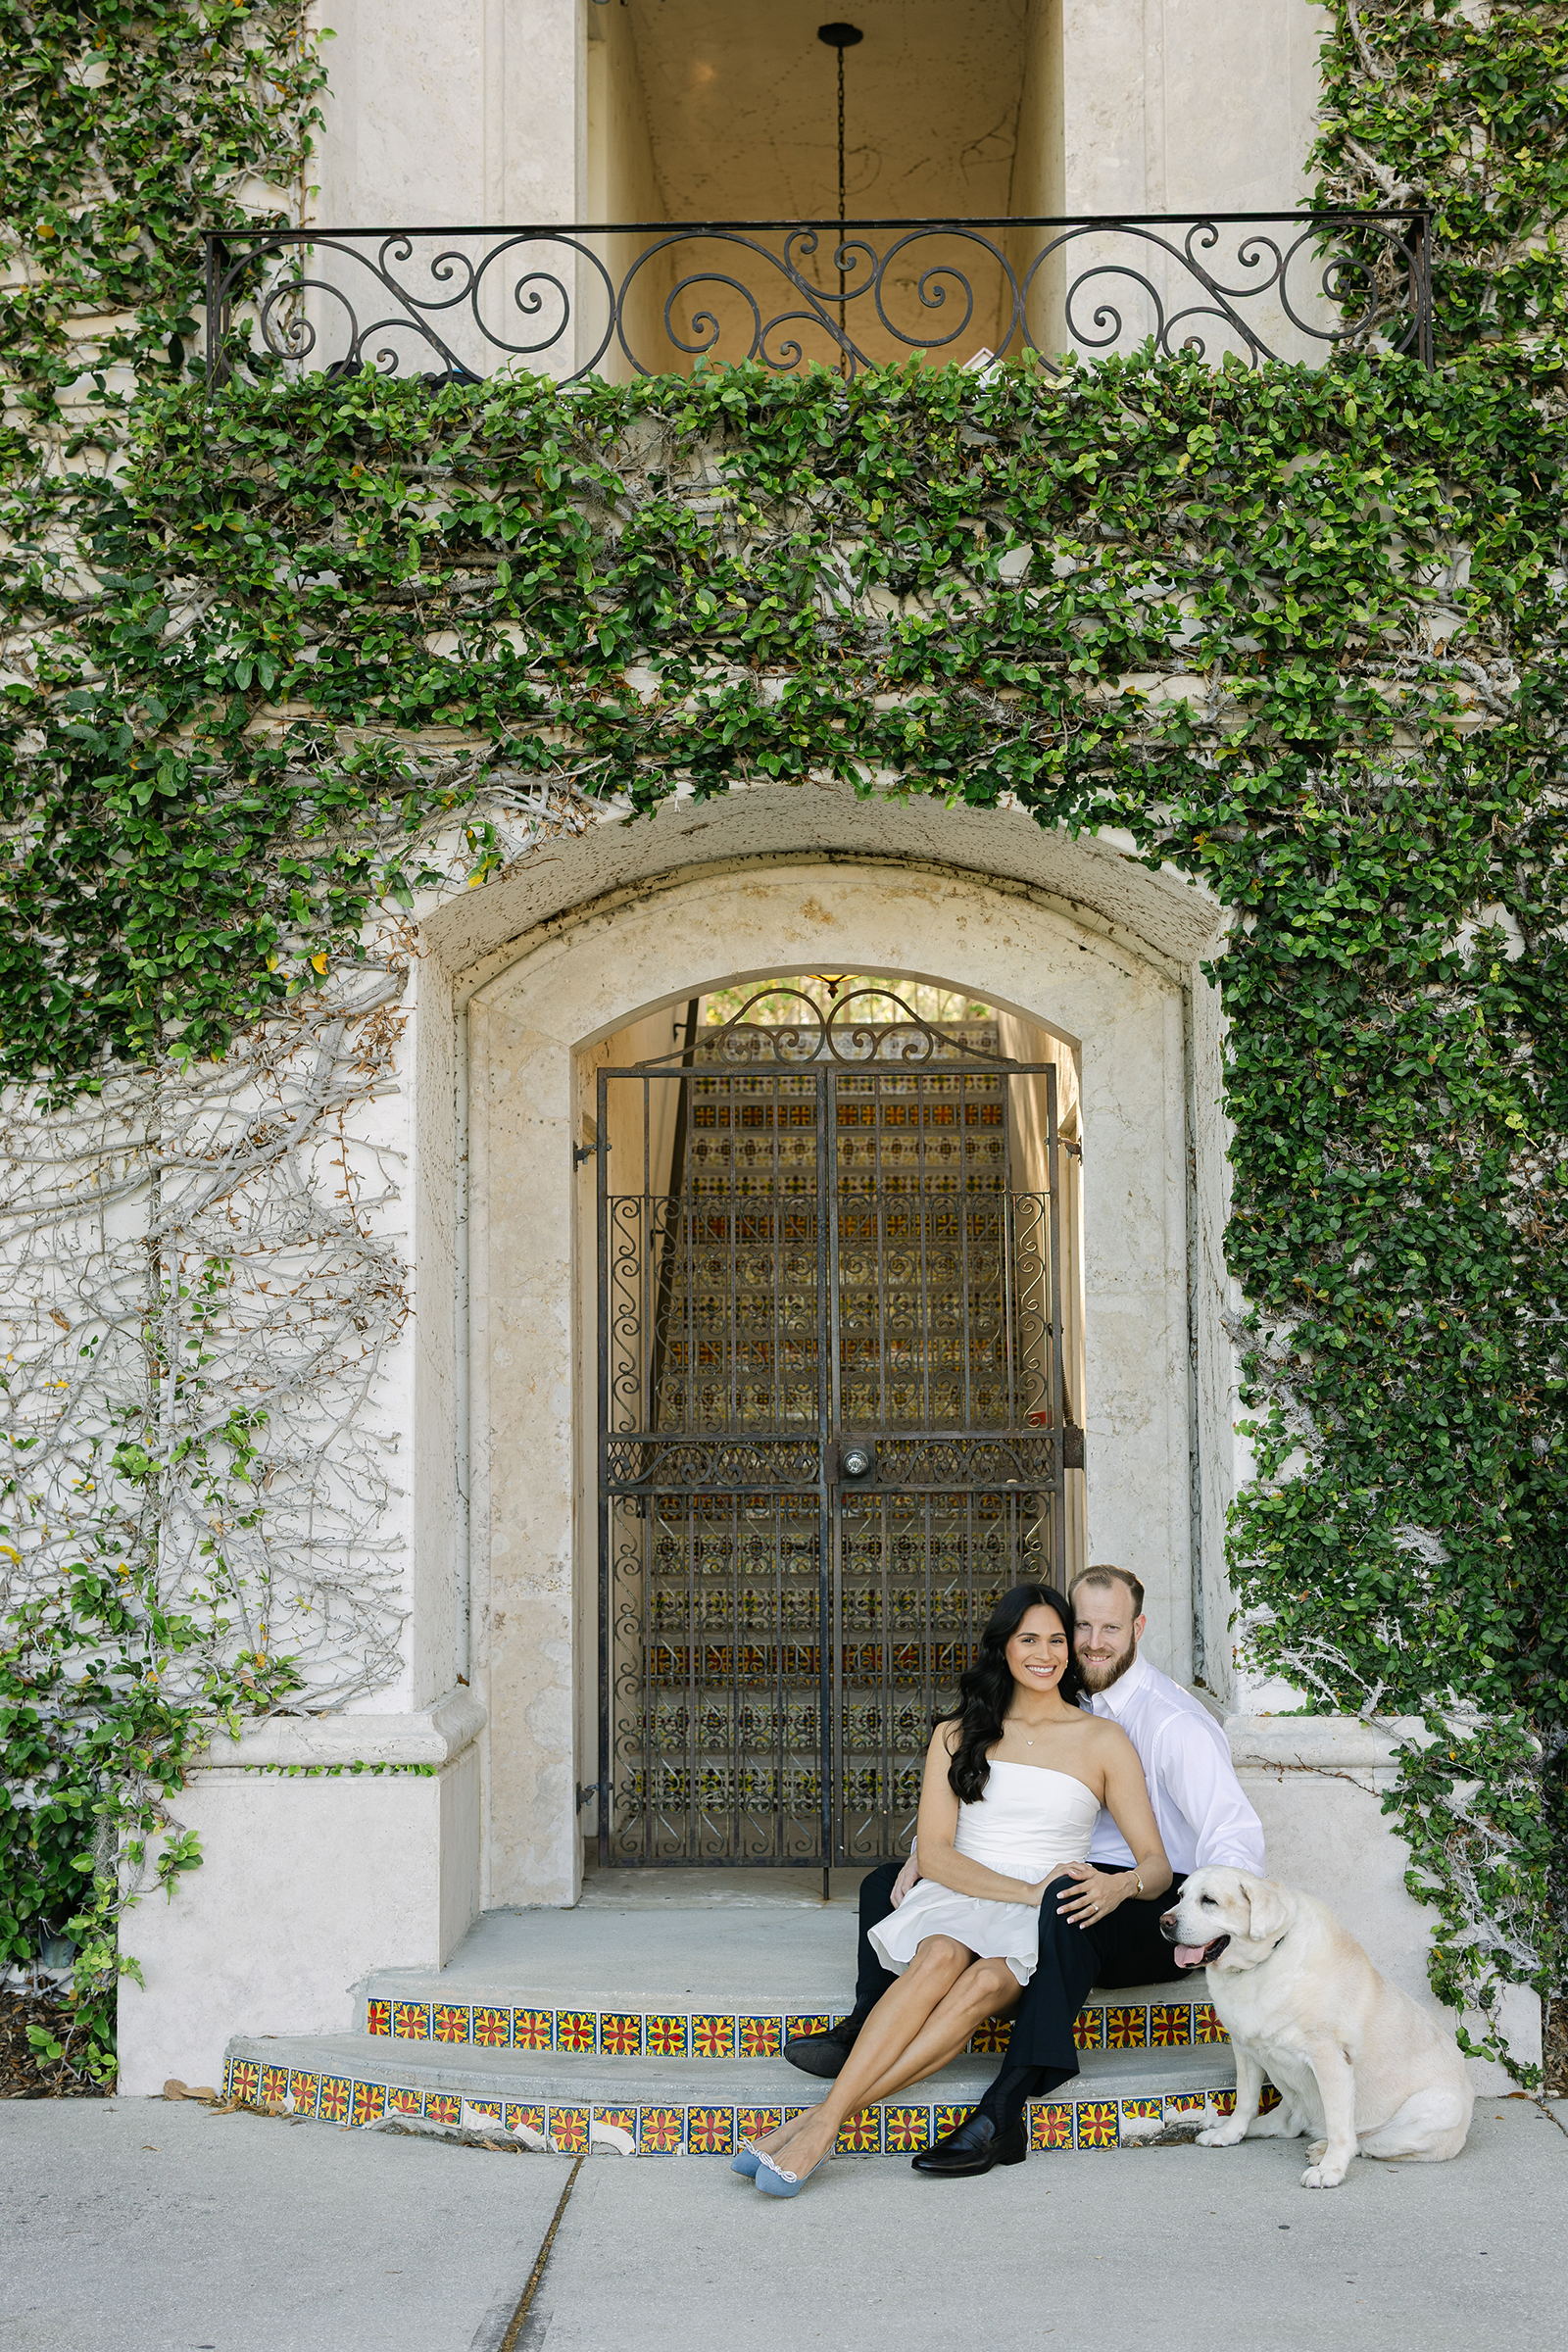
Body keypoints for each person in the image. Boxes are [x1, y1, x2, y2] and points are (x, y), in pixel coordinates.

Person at [783, 1562, 1267, 2176]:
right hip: (1038, 1876)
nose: (1084, 1644)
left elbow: (1217, 1840)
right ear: (1007, 1646)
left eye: (1101, 1630)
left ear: (1138, 1629)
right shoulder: (1002, 1717)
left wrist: (1216, 1925)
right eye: (1076, 1628)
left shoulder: (1168, 1722)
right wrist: (930, 1858)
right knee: (889, 1886)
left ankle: (991, 2110)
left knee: (1042, 1922)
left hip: (1144, 1896)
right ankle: (869, 2024)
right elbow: (987, 1819)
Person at [735, 1582, 1171, 2197]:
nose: (1045, 1654)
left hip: (1040, 1918)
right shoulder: (954, 1733)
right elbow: (936, 1853)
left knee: (983, 1983)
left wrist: (1120, 1885)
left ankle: (818, 2122)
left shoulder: (1103, 1740)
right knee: (939, 1954)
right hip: (970, 1891)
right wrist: (1026, 1892)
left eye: (1056, 1640)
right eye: (1028, 1639)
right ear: (1003, 1647)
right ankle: (823, 2126)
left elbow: (1156, 1864)